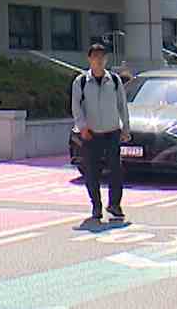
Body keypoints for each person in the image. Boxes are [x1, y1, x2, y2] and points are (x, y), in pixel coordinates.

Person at [71, 41, 131, 223]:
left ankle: (114, 204)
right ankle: (96, 205)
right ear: (89, 59)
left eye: (102, 57)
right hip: (91, 133)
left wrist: (125, 128)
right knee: (91, 172)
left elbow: (122, 105)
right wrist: (82, 127)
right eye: (95, 57)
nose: (98, 60)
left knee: (116, 170)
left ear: (106, 59)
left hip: (112, 131)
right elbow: (76, 107)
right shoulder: (81, 82)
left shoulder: (114, 80)